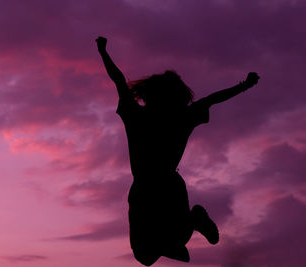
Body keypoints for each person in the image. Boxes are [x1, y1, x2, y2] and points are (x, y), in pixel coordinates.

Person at [96, 36, 259, 266]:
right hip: (163, 186)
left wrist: (102, 51)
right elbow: (212, 99)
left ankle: (190, 224)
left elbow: (119, 81)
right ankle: (178, 236)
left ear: (151, 96)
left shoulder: (139, 116)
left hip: (150, 188)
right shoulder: (181, 117)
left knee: (147, 254)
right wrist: (244, 85)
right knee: (151, 252)